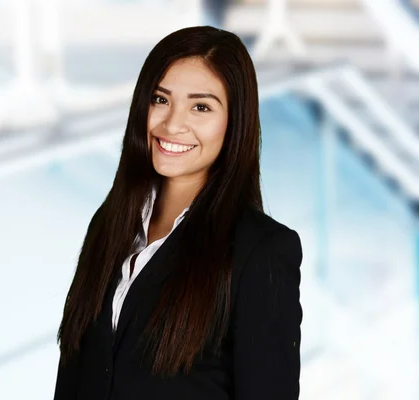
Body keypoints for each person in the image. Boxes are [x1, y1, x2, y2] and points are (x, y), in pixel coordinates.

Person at [53, 26, 303, 400]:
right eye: (160, 99)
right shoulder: (109, 225)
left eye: (200, 107)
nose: (171, 124)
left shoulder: (261, 250)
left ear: (234, 123)